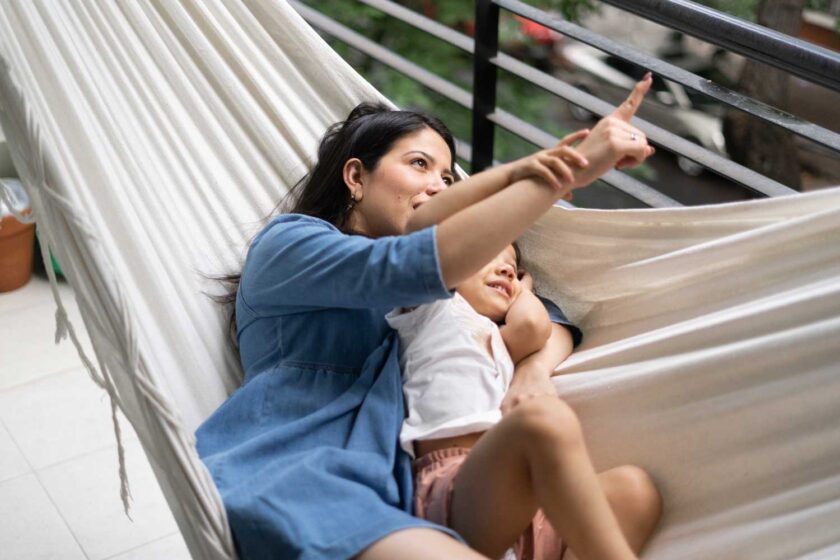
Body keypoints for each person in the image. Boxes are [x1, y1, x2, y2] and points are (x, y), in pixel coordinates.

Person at [196, 75, 658, 559]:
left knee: (632, 491)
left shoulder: (436, 296)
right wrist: (558, 171)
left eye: (447, 179)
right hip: (298, 481)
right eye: (420, 165)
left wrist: (533, 370)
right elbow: (408, 262)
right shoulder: (290, 244)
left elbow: (548, 318)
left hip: (396, 494)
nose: (437, 186)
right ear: (355, 177)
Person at [386, 241, 660, 560]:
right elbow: (530, 323)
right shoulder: (430, 309)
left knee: (635, 491)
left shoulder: (500, 343)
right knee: (542, 421)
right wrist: (523, 287)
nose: (506, 270)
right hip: (454, 490)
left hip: (521, 509)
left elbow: (533, 327)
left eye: (513, 268)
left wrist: (519, 289)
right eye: (488, 256)